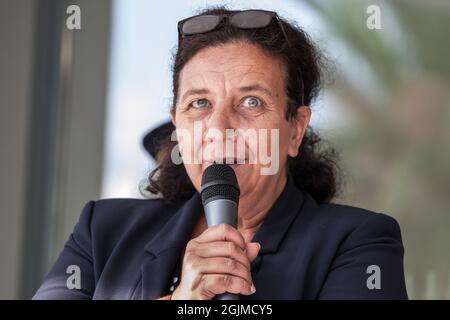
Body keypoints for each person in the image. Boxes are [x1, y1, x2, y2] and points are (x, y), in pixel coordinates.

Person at [33, 6, 408, 300]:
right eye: (199, 104)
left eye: (251, 101)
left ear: (295, 128)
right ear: (177, 126)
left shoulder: (359, 241)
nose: (219, 128)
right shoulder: (103, 231)